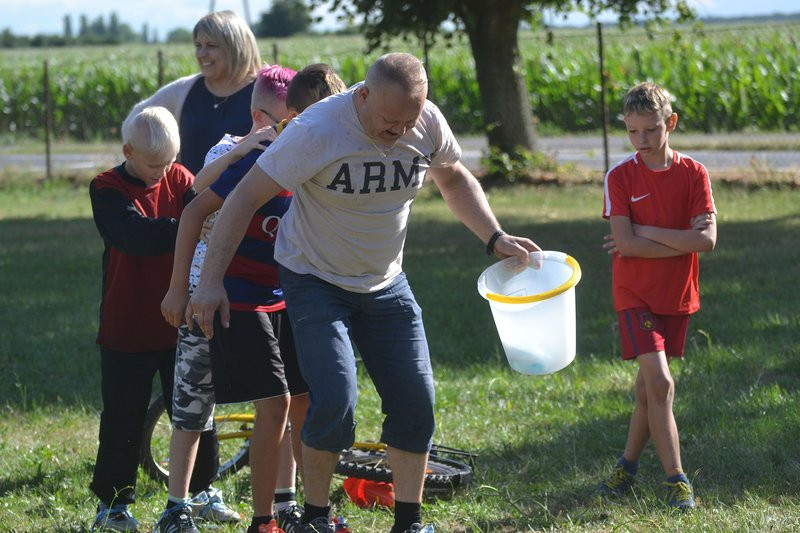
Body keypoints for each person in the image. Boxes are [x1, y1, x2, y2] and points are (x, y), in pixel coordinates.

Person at [186, 52, 541, 533]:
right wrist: (209, 283)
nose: (399, 132)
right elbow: (244, 197)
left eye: (409, 120)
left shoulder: (425, 123)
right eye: (390, 121)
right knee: (334, 398)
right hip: (314, 278)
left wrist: (494, 237)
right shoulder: (318, 129)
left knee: (416, 402)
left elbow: (453, 177)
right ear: (363, 94)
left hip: (385, 280)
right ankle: (313, 517)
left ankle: (409, 522)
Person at [161, 63, 347, 533]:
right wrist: (182, 287)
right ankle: (261, 519)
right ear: (286, 119)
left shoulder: (331, 157)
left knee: (305, 401)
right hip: (239, 297)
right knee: (275, 403)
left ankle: (306, 512)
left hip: (292, 297)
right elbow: (193, 208)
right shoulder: (263, 153)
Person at [598, 81, 717, 511]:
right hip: (634, 295)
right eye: (632, 132)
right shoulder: (619, 177)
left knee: (648, 394)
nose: (641, 141)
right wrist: (679, 238)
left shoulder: (695, 174)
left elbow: (707, 241)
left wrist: (645, 231)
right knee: (662, 384)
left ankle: (626, 468)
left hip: (677, 296)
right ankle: (677, 481)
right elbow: (625, 246)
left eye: (650, 130)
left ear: (671, 123)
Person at [87, 106, 204, 532]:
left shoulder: (180, 177)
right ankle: (114, 504)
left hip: (182, 324)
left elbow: (204, 211)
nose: (163, 172)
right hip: (126, 325)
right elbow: (132, 235)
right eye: (154, 164)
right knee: (123, 416)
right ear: (128, 151)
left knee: (192, 413)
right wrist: (189, 223)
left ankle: (201, 492)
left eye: (170, 162)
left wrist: (194, 217)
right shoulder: (106, 187)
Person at [124, 10, 262, 175]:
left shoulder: (263, 91)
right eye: (198, 46)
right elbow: (133, 123)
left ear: (235, 48)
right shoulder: (185, 90)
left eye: (211, 46)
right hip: (192, 198)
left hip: (249, 200)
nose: (202, 53)